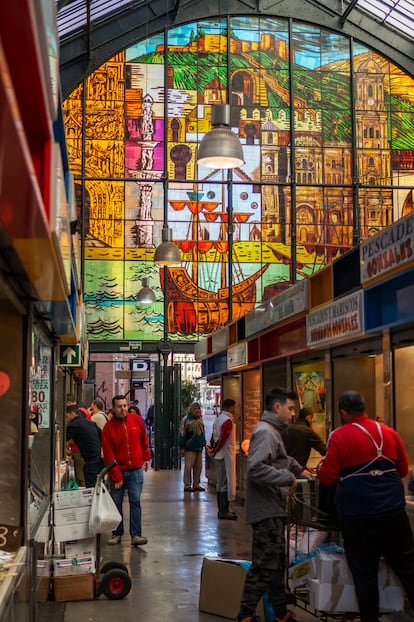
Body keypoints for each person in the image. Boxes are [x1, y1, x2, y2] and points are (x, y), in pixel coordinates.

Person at [317, 390, 414, 622]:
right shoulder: (389, 432)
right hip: (394, 513)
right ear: (364, 407)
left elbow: (327, 478)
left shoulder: (339, 436)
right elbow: (402, 470)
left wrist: (322, 467)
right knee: (408, 568)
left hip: (359, 517)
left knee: (365, 575)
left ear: (342, 412)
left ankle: (370, 618)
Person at [237, 387, 313, 622]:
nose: (293, 414)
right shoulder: (266, 432)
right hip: (265, 511)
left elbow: (279, 459)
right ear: (277, 407)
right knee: (264, 566)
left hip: (272, 509)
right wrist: (287, 478)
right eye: (290, 408)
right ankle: (245, 615)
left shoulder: (273, 431)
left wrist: (299, 469)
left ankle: (281, 614)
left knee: (276, 564)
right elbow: (256, 468)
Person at [101, 394, 152, 546]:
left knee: (135, 501)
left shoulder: (136, 420)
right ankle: (117, 533)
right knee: (116, 503)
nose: (123, 409)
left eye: (124, 405)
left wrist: (146, 457)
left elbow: (144, 439)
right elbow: (108, 454)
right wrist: (116, 476)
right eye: (119, 406)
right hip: (118, 472)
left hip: (136, 470)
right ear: (114, 408)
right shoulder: (108, 428)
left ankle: (136, 535)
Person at [207, 398, 238, 520]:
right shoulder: (227, 421)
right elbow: (223, 439)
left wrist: (212, 449)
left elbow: (214, 437)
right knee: (225, 483)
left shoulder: (219, 419)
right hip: (225, 455)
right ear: (231, 408)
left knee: (221, 483)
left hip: (219, 455)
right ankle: (224, 510)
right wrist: (214, 450)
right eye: (234, 407)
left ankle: (223, 509)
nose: (235, 410)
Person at [66, 404, 104, 487]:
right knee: (97, 485)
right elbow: (102, 435)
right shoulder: (90, 423)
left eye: (67, 416)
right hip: (99, 458)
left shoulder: (75, 424)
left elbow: (63, 438)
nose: (67, 418)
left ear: (72, 414)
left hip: (91, 460)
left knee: (90, 486)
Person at [178, 402, 206, 492]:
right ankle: (187, 484)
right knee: (188, 466)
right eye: (195, 408)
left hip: (199, 447)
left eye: (198, 408)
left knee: (198, 467)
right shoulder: (186, 419)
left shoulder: (200, 419)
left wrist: (204, 443)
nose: (197, 410)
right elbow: (182, 433)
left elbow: (202, 432)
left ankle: (196, 484)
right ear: (190, 409)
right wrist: (182, 447)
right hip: (190, 447)